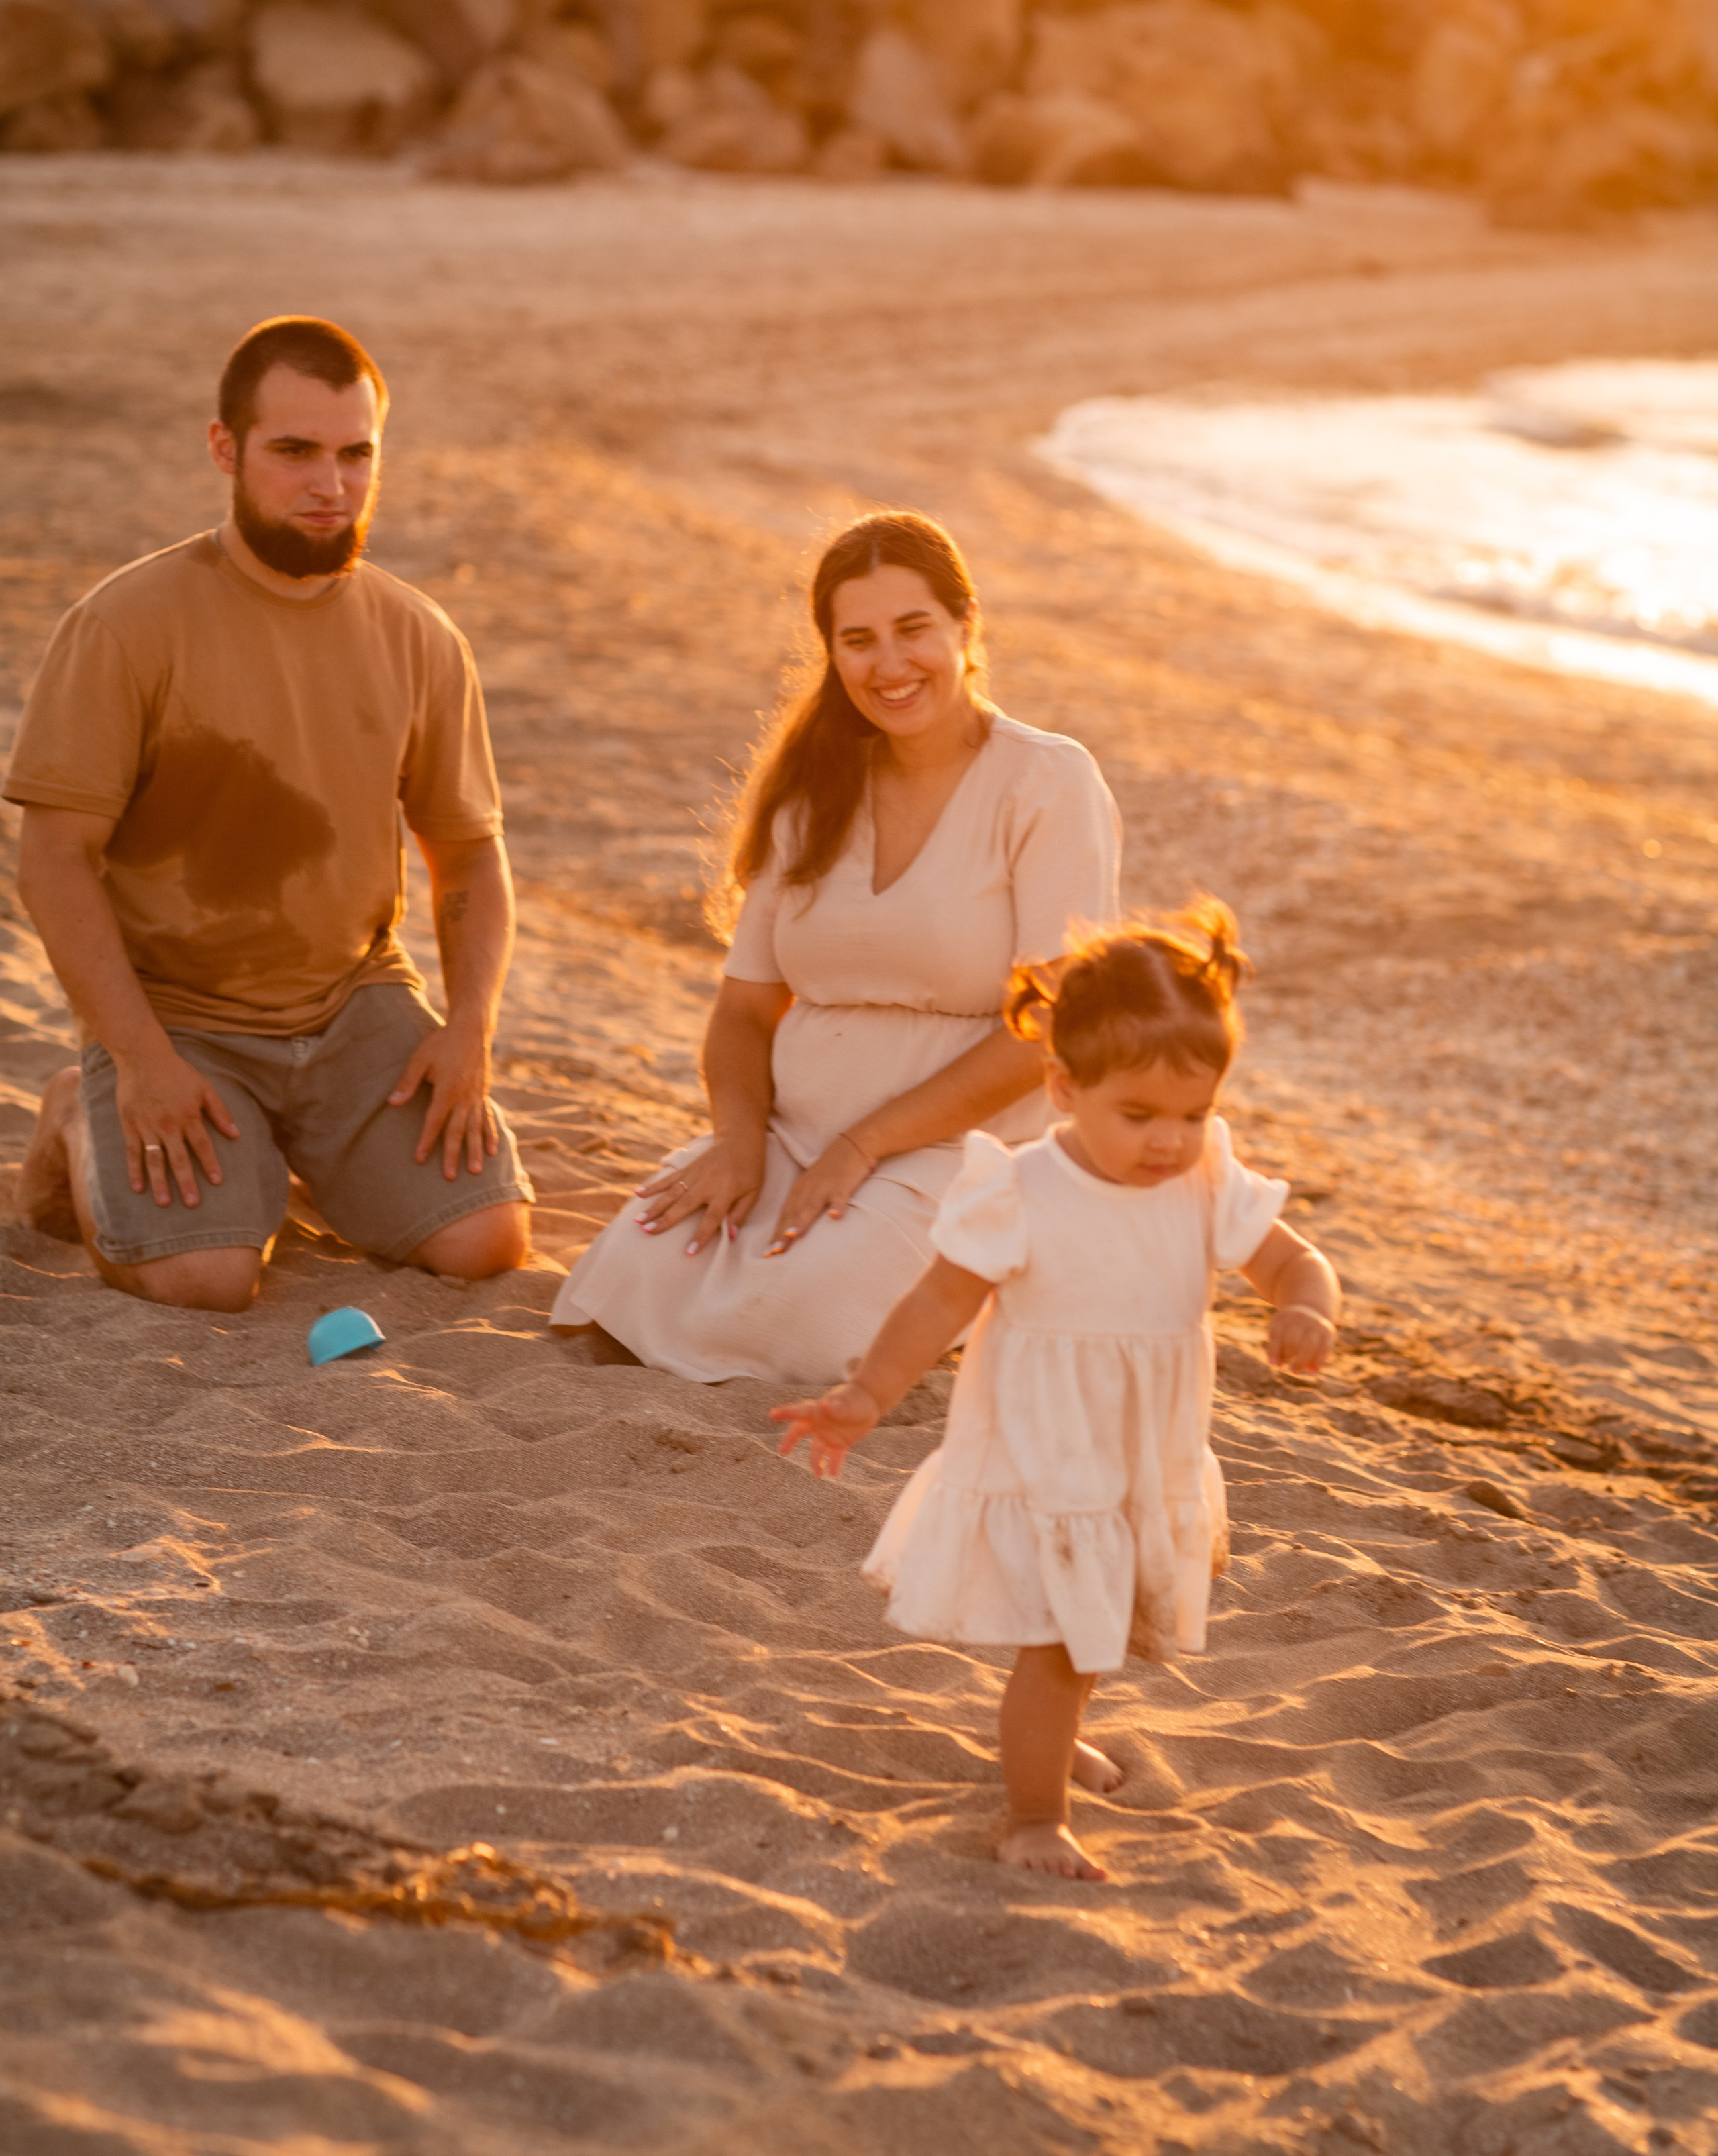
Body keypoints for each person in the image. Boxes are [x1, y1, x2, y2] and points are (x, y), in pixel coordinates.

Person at [774, 905, 1341, 1882]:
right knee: (1063, 1645)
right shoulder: (1026, 1189)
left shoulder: (1204, 1177)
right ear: (1064, 1087)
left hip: (1137, 1451)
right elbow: (938, 1298)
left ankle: (1046, 1732)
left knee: (1088, 1629)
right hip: (1047, 1451)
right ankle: (1034, 1816)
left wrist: (1306, 1308)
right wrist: (868, 1394)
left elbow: (1292, 1258)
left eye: (1193, 1113)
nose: (1170, 1140)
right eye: (1139, 1115)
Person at [9, 315, 532, 1311]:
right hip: (178, 1015)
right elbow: (55, 863)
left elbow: (468, 857)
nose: (329, 484)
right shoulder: (123, 625)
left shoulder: (419, 635)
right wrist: (140, 1060)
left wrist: (467, 1030)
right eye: (294, 452)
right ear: (226, 449)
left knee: (484, 1243)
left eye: (355, 453)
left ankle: (298, 1152)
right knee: (205, 1277)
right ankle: (83, 1114)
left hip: (351, 1003)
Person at [550, 510, 1121, 1384]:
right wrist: (738, 1140)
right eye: (858, 640)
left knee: (797, 1319)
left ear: (966, 627)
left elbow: (1045, 1030)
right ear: (832, 653)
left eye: (912, 630)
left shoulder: (1047, 782)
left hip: (954, 1158)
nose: (889, 665)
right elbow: (744, 1009)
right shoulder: (811, 794)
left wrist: (866, 1146)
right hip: (788, 1142)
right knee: (630, 1274)